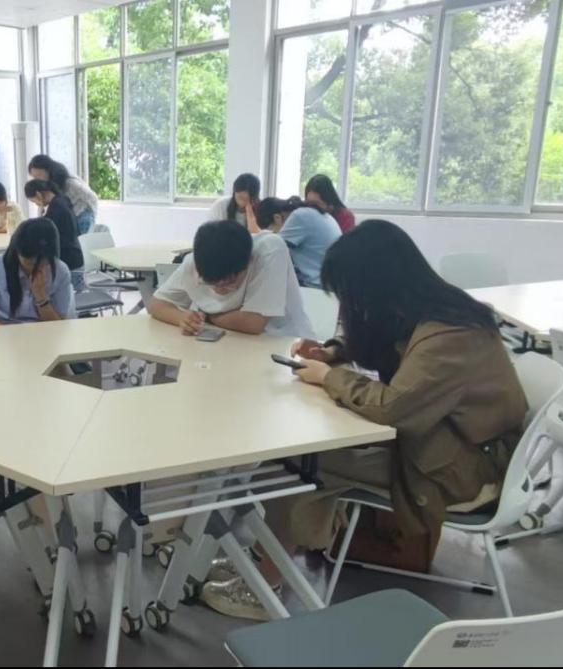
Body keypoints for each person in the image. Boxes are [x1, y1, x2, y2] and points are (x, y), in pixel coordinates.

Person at [203, 220, 528, 621]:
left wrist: (330, 377)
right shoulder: (430, 310)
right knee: (307, 454)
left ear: (377, 287)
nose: (349, 306)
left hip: (463, 471)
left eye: (350, 294)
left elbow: (393, 407)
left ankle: (265, 582)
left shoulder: (451, 336)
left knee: (297, 464)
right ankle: (269, 555)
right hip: (439, 444)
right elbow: (389, 344)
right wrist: (333, 352)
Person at [148, 220, 315, 339]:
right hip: (229, 341)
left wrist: (208, 317)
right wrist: (182, 318)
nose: (220, 289)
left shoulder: (270, 250)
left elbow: (254, 323)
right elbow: (156, 304)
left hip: (282, 342)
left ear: (248, 261)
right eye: (212, 283)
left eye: (229, 283)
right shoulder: (195, 262)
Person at [0, 218, 75, 326]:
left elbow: (58, 324)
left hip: (43, 330)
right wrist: (5, 332)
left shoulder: (60, 271)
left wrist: (40, 296)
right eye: (28, 263)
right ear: (16, 252)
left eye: (41, 263)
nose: (34, 268)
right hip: (5, 327)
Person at [255, 196, 341, 288]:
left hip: (317, 285)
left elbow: (271, 247)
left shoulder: (299, 216)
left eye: (271, 231)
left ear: (277, 218)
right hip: (332, 282)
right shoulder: (310, 213)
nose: (273, 234)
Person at [24, 179, 85, 291]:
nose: (36, 204)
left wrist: (41, 212)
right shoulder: (63, 200)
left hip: (68, 263)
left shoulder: (55, 209)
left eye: (34, 202)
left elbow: (46, 234)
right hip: (76, 258)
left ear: (38, 194)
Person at [28, 154, 99, 235]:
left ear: (48, 170)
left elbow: (92, 197)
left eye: (39, 175)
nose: (37, 180)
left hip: (81, 217)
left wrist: (90, 217)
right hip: (68, 218)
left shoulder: (69, 182)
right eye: (34, 177)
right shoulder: (46, 186)